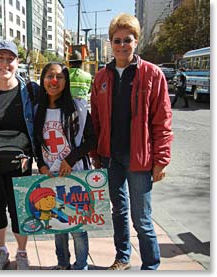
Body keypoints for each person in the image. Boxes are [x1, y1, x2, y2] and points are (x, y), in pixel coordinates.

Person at [90, 13, 173, 270]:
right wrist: (95, 153)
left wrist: (161, 161)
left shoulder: (152, 74)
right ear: (111, 42)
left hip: (140, 159)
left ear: (136, 42)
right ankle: (123, 257)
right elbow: (96, 119)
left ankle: (150, 266)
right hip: (110, 157)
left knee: (143, 219)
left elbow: (163, 120)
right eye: (117, 40)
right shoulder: (102, 77)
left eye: (128, 40)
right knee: (118, 212)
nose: (122, 45)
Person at [0, 40, 39, 270]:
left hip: (20, 163)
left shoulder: (30, 91)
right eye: (0, 58)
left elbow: (42, 124)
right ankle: (1, 251)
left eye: (10, 58)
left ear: (17, 62)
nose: (5, 63)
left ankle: (21, 253)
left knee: (20, 208)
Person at [33, 62, 96, 270]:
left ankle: (81, 267)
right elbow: (35, 142)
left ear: (66, 81)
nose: (54, 81)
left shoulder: (78, 107)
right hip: (50, 176)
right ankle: (62, 265)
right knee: (57, 225)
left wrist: (70, 159)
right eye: (50, 76)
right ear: (42, 80)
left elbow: (91, 139)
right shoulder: (36, 111)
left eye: (59, 77)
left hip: (75, 174)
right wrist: (41, 165)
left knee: (77, 227)